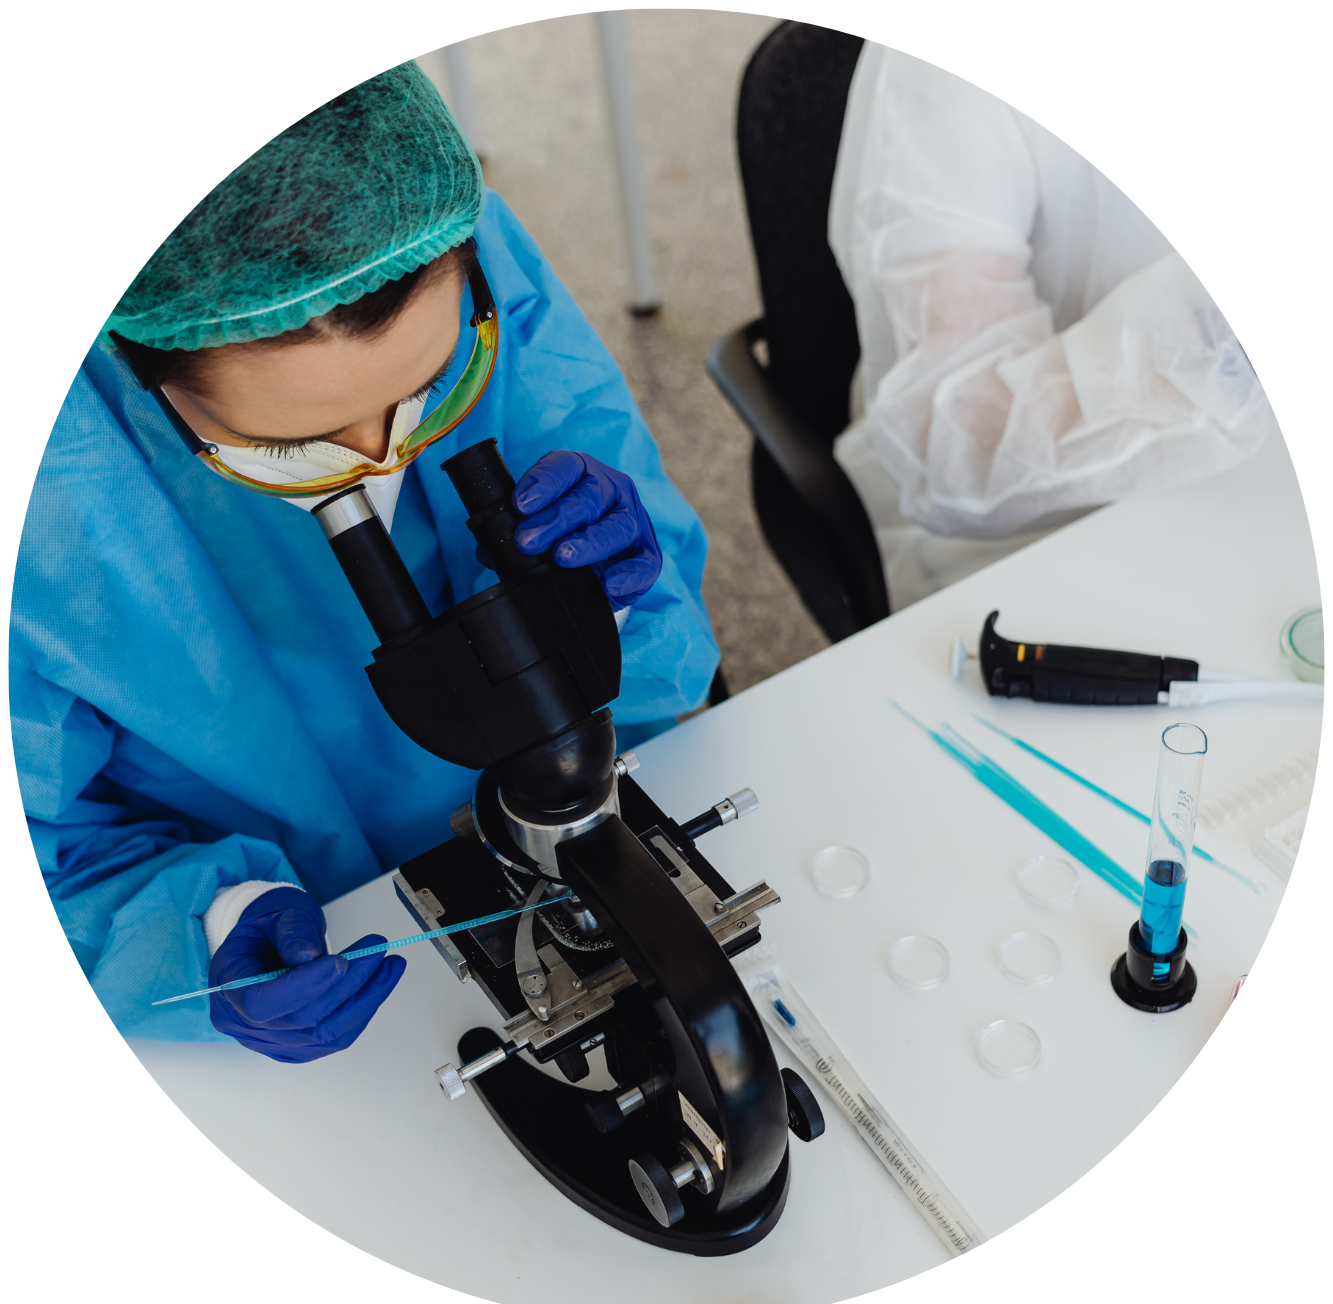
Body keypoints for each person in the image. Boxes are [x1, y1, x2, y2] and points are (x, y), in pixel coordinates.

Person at [11, 62, 720, 1061]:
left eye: (429, 387)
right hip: (322, 928)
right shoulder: (51, 480)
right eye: (302, 445)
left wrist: (616, 599)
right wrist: (195, 935)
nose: (383, 458)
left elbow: (660, 653)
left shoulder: (412, 223)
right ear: (134, 365)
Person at [828, 44, 1281, 611]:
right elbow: (956, 444)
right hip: (1034, 532)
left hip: (1258, 482)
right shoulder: (944, 65)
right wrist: (1231, 328)